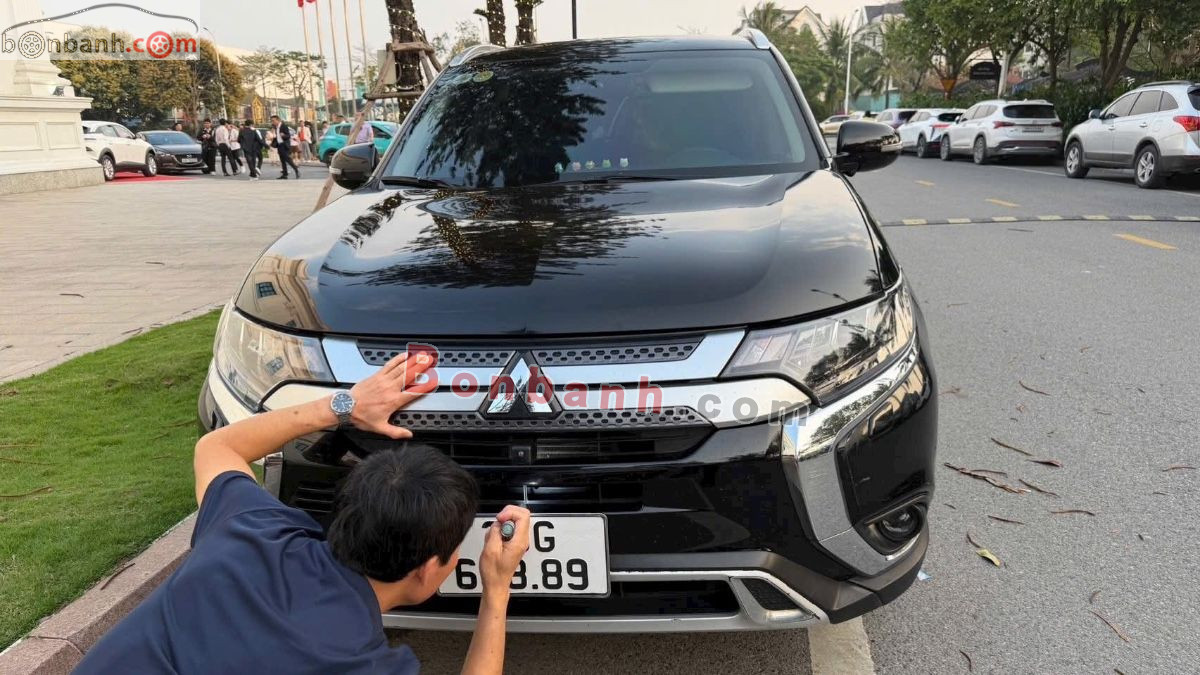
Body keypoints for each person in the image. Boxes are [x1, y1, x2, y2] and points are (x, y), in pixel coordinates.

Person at [74, 351, 530, 675]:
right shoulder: (358, 663)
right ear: (430, 569)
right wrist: (496, 591)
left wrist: (345, 405)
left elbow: (218, 445)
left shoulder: (250, 529)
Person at [270, 114, 300, 179]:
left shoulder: (284, 126)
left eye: (273, 120)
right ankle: (285, 174)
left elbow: (288, 136)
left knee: (288, 159)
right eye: (272, 121)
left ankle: (297, 170)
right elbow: (277, 137)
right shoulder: (276, 127)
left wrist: (283, 135)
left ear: (278, 120)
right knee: (282, 160)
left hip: (284, 145)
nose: (273, 122)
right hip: (279, 145)